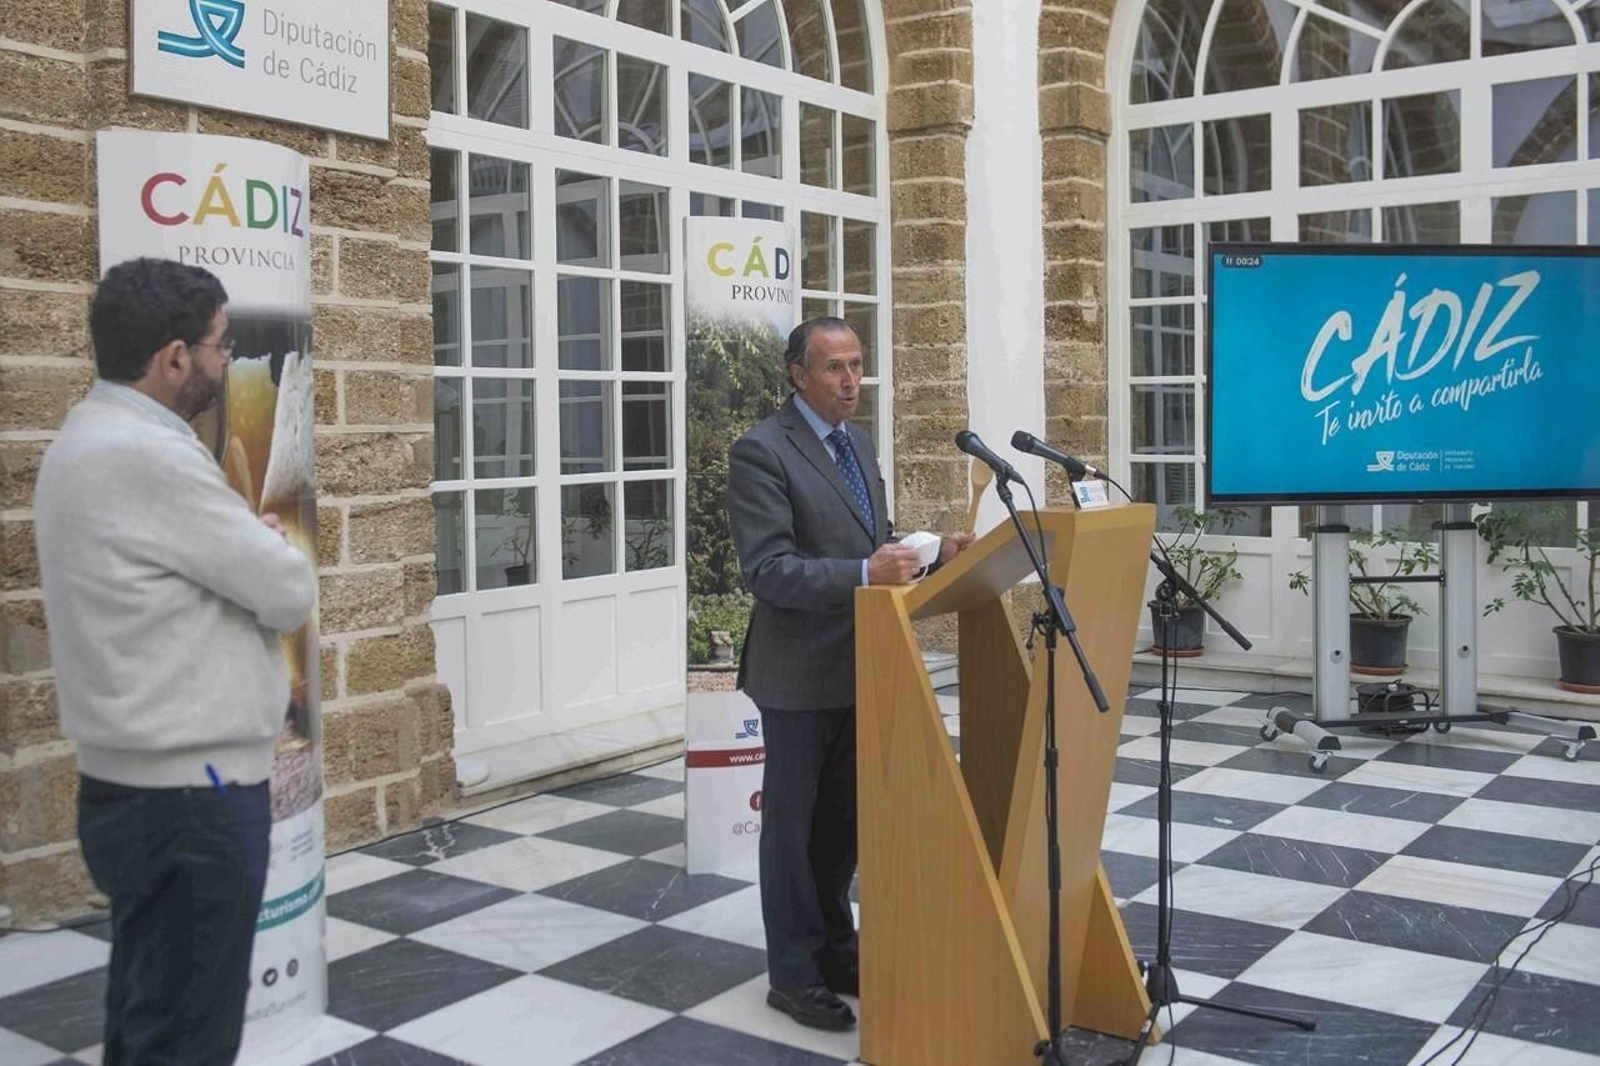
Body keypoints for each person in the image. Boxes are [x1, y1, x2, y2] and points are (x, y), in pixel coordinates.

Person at [34, 257, 316, 1065]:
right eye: (221, 347)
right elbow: (288, 585)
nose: (229, 365)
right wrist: (262, 551)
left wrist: (248, 557)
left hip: (141, 792)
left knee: (151, 1015)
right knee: (188, 1034)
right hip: (193, 800)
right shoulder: (147, 455)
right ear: (173, 359)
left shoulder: (89, 437)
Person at [728, 317, 973, 1031]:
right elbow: (768, 570)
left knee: (842, 827)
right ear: (797, 375)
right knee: (793, 832)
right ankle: (794, 974)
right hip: (798, 674)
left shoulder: (858, 444)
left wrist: (934, 554)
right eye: (834, 367)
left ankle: (837, 949)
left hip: (865, 664)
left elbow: (877, 539)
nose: (850, 380)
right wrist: (865, 571)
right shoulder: (760, 452)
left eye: (857, 365)